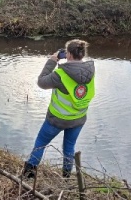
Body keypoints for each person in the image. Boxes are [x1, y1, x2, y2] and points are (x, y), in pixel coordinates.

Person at [23, 39, 95, 178]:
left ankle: (28, 175)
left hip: (56, 120)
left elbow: (41, 82)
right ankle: (66, 178)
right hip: (78, 119)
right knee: (69, 148)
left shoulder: (60, 75)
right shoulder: (91, 71)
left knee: (40, 144)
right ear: (82, 54)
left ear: (68, 54)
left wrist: (52, 61)